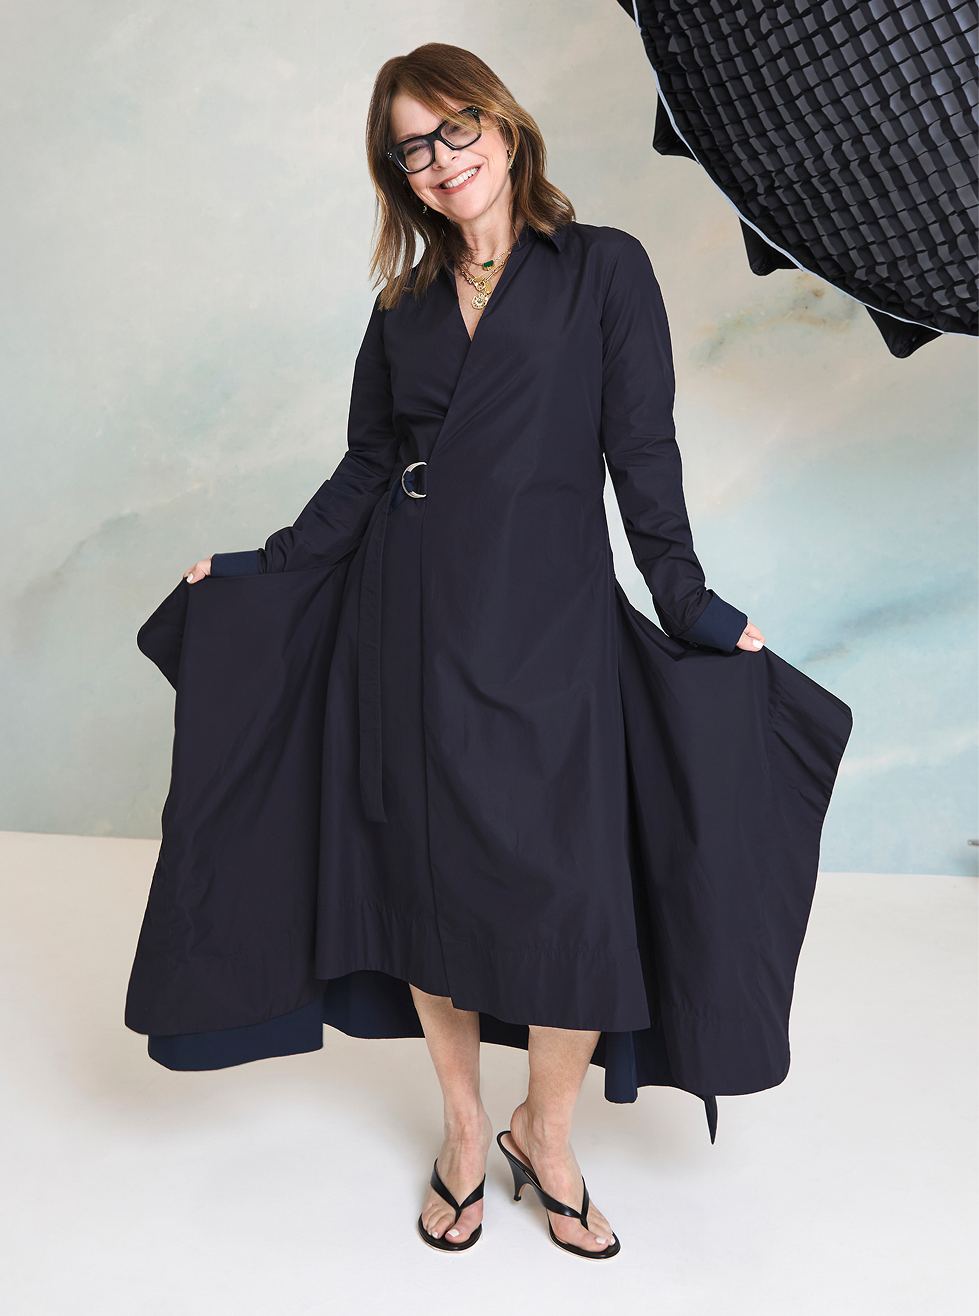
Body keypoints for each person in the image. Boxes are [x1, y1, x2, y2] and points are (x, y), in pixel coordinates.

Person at [151, 42, 845, 1261]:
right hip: (411, 620)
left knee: (571, 899)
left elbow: (645, 461)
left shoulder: (603, 272)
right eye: (411, 146)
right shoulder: (403, 308)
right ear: (401, 175)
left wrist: (690, 603)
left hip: (553, 631)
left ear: (506, 128)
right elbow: (366, 470)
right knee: (434, 892)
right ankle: (468, 1128)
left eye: (454, 127)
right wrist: (264, 565)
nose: (439, 159)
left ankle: (549, 1130)